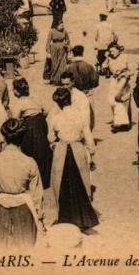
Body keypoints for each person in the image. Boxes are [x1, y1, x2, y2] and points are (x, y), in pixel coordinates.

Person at [0, 118, 45, 248]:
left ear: (3, 137)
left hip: (0, 210)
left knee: (0, 253)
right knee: (25, 252)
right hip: (24, 211)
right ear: (22, 137)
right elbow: (37, 195)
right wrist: (40, 218)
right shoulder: (29, 162)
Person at [48, 87, 99, 231]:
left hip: (62, 150)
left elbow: (50, 137)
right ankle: (83, 218)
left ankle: (65, 217)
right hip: (77, 149)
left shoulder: (56, 117)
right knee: (81, 182)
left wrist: (55, 141)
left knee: (62, 183)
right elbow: (88, 136)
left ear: (59, 103)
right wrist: (91, 153)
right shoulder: (80, 115)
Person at [9, 78, 53, 189]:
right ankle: (45, 179)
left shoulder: (18, 103)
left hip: (30, 127)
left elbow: (15, 119)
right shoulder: (34, 99)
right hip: (40, 123)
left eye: (13, 89)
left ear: (17, 91)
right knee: (42, 149)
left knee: (30, 151)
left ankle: (32, 180)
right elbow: (46, 110)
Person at [64, 46, 99, 130]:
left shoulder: (69, 68)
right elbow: (95, 81)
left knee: (76, 115)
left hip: (74, 95)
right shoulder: (88, 66)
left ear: (73, 54)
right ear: (82, 53)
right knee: (89, 115)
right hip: (87, 93)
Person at [105, 42, 133, 132]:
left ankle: (121, 124)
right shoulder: (110, 59)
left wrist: (124, 74)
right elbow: (103, 67)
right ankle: (117, 120)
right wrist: (107, 58)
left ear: (118, 50)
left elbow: (132, 71)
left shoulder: (125, 57)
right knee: (112, 101)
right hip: (114, 81)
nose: (111, 53)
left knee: (122, 100)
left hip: (123, 81)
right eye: (110, 51)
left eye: (113, 51)